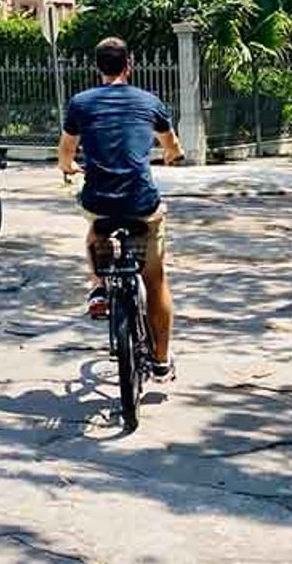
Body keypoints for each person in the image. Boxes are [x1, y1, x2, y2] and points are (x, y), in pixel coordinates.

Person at [58, 37, 184, 383]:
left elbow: (66, 152)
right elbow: (172, 145)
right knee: (155, 279)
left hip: (99, 199)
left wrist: (69, 167)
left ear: (98, 67)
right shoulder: (149, 102)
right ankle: (161, 361)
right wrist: (171, 156)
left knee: (95, 226)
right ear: (129, 65)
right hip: (141, 202)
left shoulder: (80, 103)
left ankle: (99, 286)